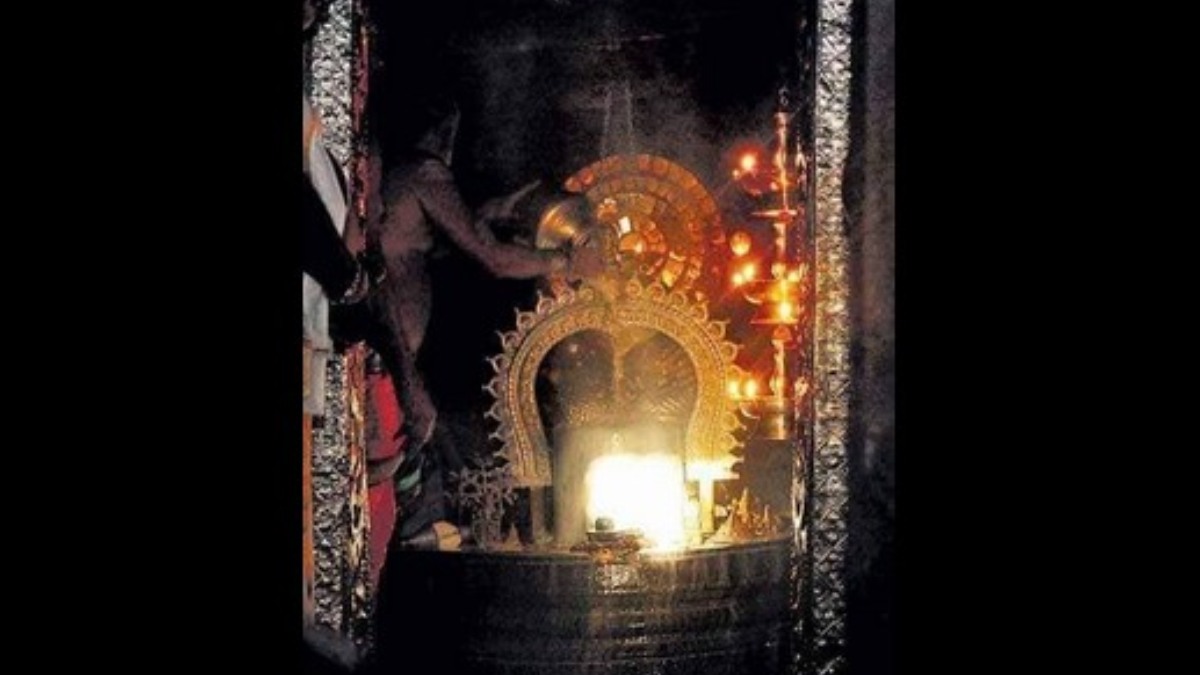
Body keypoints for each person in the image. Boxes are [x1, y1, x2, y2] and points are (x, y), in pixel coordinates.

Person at [364, 95, 604, 543]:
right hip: (388, 364)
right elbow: (493, 259)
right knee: (398, 501)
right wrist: (567, 262)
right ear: (445, 132)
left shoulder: (401, 175)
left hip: (393, 360)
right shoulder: (425, 172)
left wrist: (488, 212)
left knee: (409, 488)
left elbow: (424, 240)